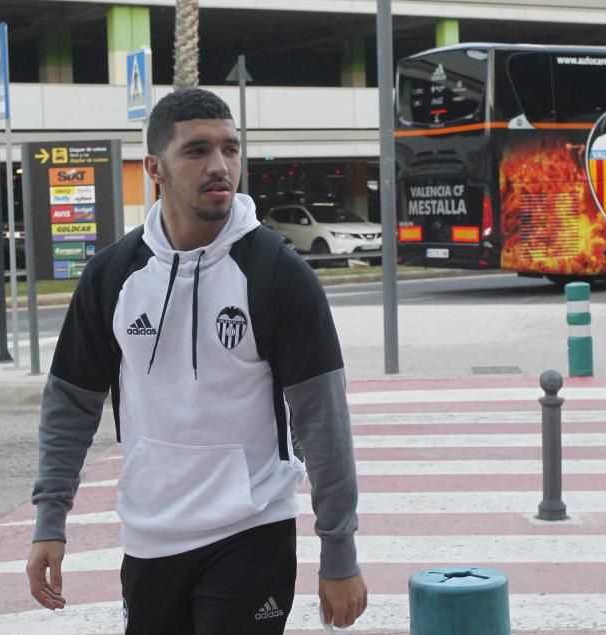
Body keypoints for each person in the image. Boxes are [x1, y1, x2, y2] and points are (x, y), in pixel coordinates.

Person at [26, 87, 367, 633]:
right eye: (197, 150)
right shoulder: (113, 276)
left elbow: (321, 420)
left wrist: (339, 550)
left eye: (231, 149)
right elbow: (71, 403)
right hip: (149, 535)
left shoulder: (278, 274)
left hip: (251, 529)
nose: (220, 166)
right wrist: (50, 520)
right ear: (154, 168)